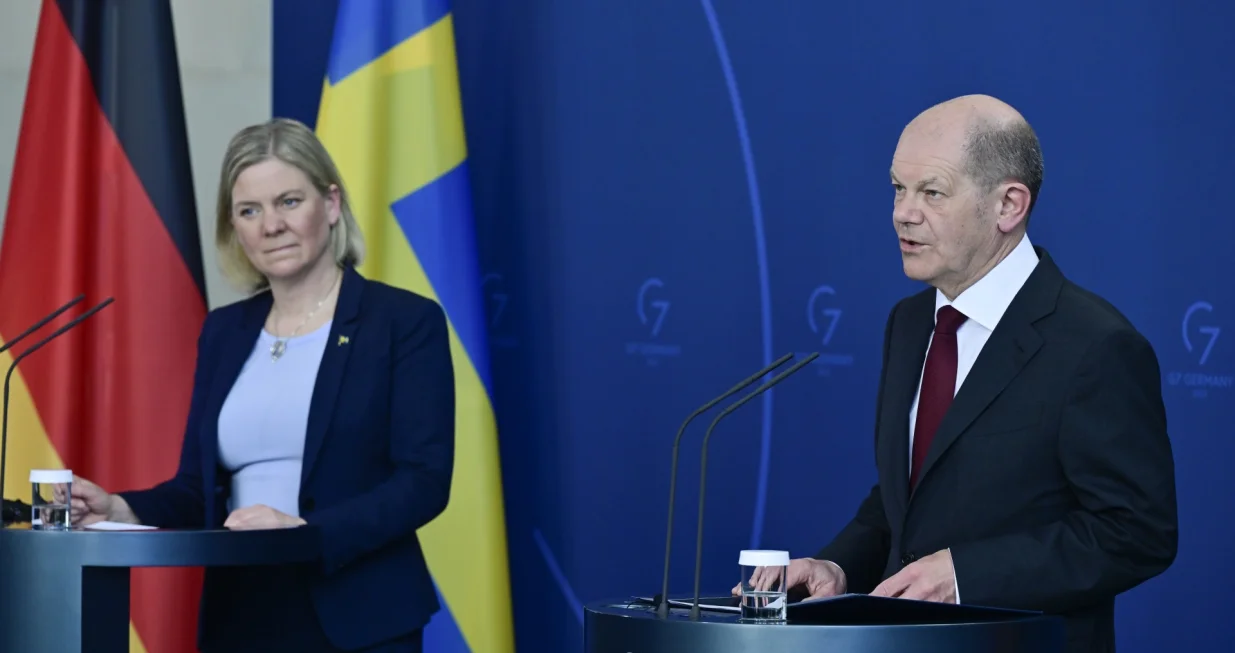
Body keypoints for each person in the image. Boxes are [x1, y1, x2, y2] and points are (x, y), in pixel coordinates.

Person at [740, 95, 1177, 652]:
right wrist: (839, 566)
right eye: (898, 188)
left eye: (932, 192)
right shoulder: (910, 322)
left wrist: (968, 575)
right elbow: (909, 499)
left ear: (1009, 205)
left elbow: (1136, 533)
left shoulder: (1095, 346)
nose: (902, 212)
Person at [64, 118, 454, 652]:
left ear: (331, 204)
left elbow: (424, 480)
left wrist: (306, 533)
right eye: (250, 211)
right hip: (242, 612)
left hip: (360, 615)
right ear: (235, 228)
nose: (271, 225)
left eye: (289, 201)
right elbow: (196, 488)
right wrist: (119, 510)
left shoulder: (402, 321)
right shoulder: (224, 331)